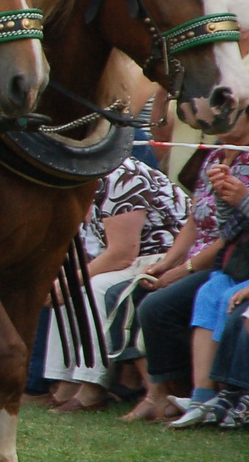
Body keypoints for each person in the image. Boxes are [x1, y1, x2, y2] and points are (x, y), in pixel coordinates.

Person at [132, 86, 249, 425]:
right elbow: (198, 219)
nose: (220, 122)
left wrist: (182, 269)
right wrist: (167, 262)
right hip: (217, 260)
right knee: (145, 293)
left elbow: (247, 233)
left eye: (231, 114)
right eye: (217, 115)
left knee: (161, 305)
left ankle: (198, 392)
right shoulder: (215, 155)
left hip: (240, 262)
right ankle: (183, 394)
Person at [42, 156, 188, 413]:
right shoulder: (78, 177)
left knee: (93, 287)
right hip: (129, 259)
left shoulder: (122, 176)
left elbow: (122, 253)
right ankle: (64, 383)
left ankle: (92, 387)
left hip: (161, 258)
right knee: (63, 289)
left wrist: (71, 281)